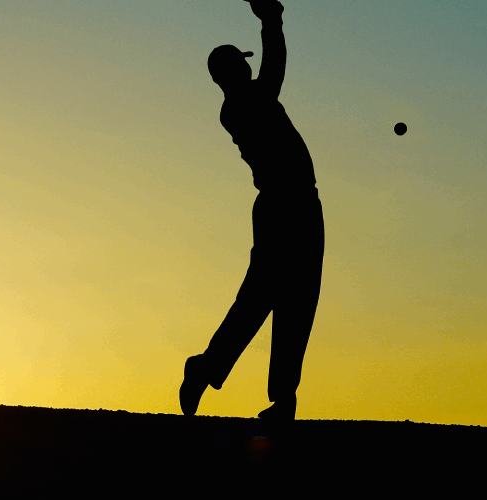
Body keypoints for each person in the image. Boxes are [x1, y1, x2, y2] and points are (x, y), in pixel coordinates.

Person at [179, 0, 324, 420]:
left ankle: (281, 398)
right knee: (264, 297)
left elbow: (271, 73)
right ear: (230, 73)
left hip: (301, 204)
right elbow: (274, 69)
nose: (248, 67)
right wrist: (271, 21)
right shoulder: (242, 105)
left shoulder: (247, 100)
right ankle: (209, 368)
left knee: (298, 299)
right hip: (283, 207)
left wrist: (271, 21)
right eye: (241, 63)